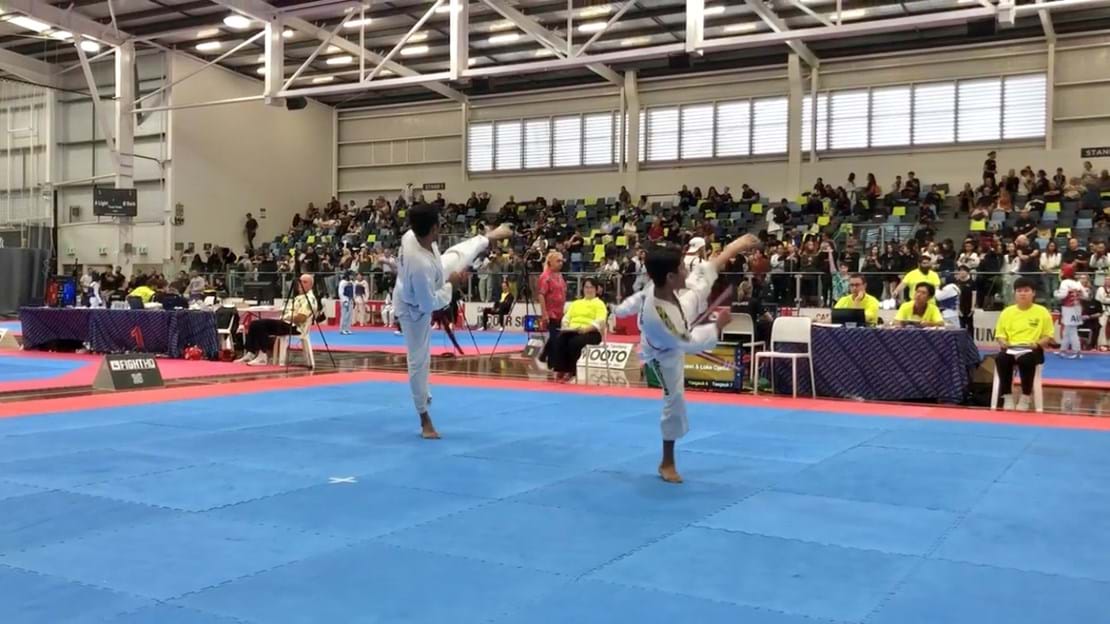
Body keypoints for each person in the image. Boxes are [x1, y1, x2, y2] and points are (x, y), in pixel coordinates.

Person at [613, 233, 760, 484]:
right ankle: (666, 462)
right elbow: (686, 343)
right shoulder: (662, 318)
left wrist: (737, 245)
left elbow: (703, 271)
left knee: (701, 281)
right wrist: (717, 326)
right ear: (670, 276)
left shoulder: (659, 285)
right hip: (663, 350)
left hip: (677, 309)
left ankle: (737, 244)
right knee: (675, 400)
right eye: (681, 267)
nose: (686, 270)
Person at [394, 203, 514, 439]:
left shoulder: (412, 236)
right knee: (418, 360)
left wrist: (447, 279)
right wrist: (452, 284)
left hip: (432, 275)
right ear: (435, 228)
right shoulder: (418, 264)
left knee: (455, 254)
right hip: (413, 308)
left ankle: (487, 237)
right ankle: (424, 418)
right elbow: (428, 305)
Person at [994, 277, 1055, 411]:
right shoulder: (1007, 312)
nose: (1022, 293)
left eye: (1026, 290)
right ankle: (1007, 396)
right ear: (1015, 293)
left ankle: (1026, 396)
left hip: (1032, 349)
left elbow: (1048, 336)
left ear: (1033, 293)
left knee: (1026, 360)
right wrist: (1004, 343)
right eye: (1019, 291)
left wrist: (1037, 344)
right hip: (1012, 348)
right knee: (1001, 359)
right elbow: (1000, 336)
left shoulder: (1042, 312)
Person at [238, 273, 318, 366]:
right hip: (285, 322)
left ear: (311, 285)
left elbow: (301, 317)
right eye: (300, 282)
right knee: (254, 324)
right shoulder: (299, 297)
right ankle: (251, 352)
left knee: (260, 325)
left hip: (294, 326)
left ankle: (263, 356)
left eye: (305, 282)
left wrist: (287, 317)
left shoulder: (309, 298)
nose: (301, 284)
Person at [548, 277, 608, 382]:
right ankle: (561, 369)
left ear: (596, 289)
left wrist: (586, 329)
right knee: (560, 339)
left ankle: (572, 371)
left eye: (591, 287)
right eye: (586, 287)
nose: (588, 290)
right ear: (583, 289)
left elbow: (600, 321)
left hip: (591, 332)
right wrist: (566, 327)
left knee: (574, 343)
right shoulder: (576, 303)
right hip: (574, 330)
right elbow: (566, 318)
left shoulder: (599, 304)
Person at [536, 250, 567, 365]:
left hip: (560, 311)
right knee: (555, 338)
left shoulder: (560, 275)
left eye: (561, 261)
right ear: (550, 262)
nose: (561, 263)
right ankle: (553, 363)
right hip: (551, 312)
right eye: (558, 261)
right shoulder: (545, 277)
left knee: (556, 336)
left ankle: (544, 355)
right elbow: (541, 295)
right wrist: (544, 313)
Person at [1055, 263, 1087, 359]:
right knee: (1067, 330)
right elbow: (1085, 295)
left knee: (1072, 331)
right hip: (1077, 308)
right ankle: (1062, 350)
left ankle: (1077, 351)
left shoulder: (1065, 283)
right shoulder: (1077, 283)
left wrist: (1056, 293)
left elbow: (1062, 295)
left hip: (1069, 308)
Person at [338, 271, 354, 335]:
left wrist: (353, 299)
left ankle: (347, 328)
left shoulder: (351, 282)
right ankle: (342, 329)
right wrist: (344, 300)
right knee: (344, 315)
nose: (352, 276)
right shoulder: (342, 282)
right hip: (345, 300)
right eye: (351, 275)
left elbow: (353, 292)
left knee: (349, 315)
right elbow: (340, 292)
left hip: (350, 299)